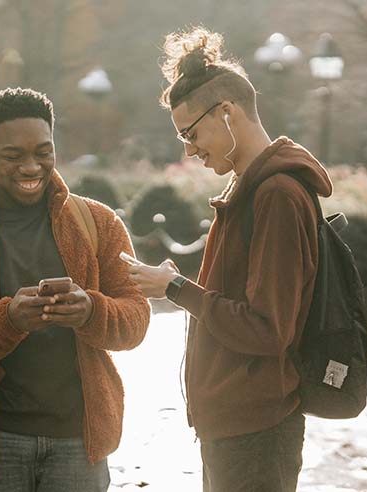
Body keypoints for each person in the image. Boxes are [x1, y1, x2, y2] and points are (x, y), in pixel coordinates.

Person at [126, 27, 334, 492]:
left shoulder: (276, 194)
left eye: (192, 133)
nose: (189, 149)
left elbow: (266, 329)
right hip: (237, 423)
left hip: (256, 427)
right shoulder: (252, 189)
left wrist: (173, 289)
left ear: (227, 112)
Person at [0, 87, 151, 491]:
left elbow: (136, 319)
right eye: (13, 156)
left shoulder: (98, 222)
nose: (31, 167)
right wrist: (5, 320)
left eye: (43, 152)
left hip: (80, 440)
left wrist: (91, 311)